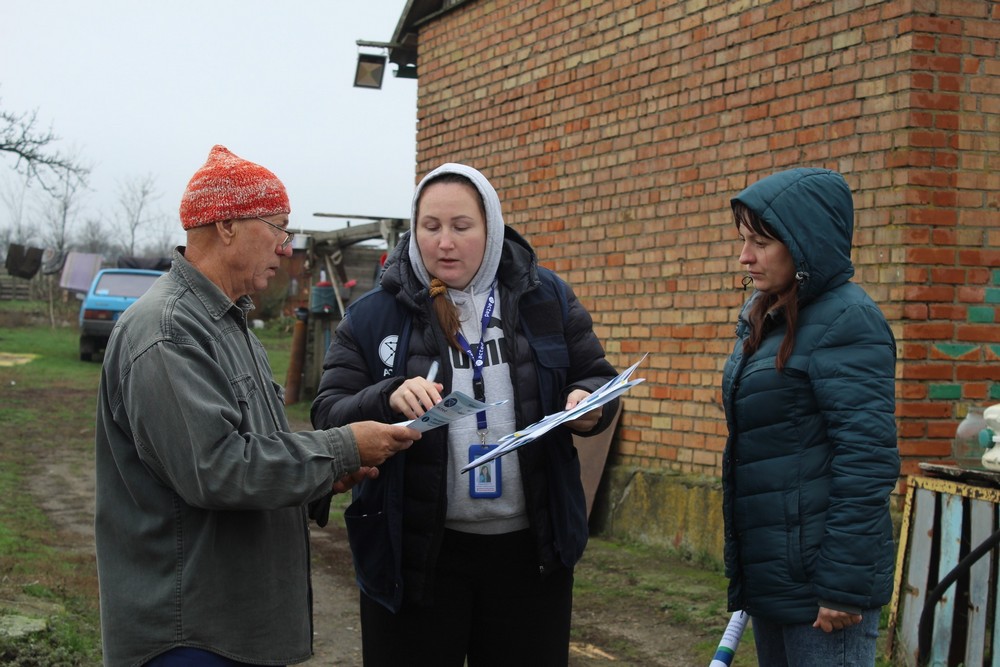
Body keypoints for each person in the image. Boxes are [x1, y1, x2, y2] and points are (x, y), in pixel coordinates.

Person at [94, 145, 419, 667]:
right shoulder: (168, 330)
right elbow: (217, 469)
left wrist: (327, 473)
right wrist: (341, 447)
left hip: (228, 625)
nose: (286, 248)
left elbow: (255, 448)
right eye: (278, 228)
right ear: (226, 226)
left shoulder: (225, 322)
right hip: (190, 634)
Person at [311, 162, 619, 666]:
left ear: (490, 228)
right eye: (430, 227)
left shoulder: (547, 298)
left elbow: (597, 376)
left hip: (529, 556)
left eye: (461, 227)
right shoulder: (373, 316)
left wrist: (589, 405)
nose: (444, 243)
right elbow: (327, 413)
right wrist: (387, 394)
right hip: (415, 557)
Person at [721, 167, 900, 666]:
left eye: (760, 242)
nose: (745, 256)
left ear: (805, 242)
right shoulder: (770, 316)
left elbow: (866, 459)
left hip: (824, 591)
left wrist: (842, 586)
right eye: (743, 240)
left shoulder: (847, 321)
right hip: (777, 578)